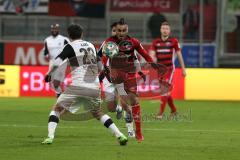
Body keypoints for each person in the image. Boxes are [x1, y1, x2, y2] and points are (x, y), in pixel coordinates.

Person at [42, 24, 128, 145]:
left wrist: (49, 74)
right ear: (82, 34)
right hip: (94, 86)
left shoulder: (69, 46)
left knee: (56, 109)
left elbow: (56, 62)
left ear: (69, 35)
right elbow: (100, 66)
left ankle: (50, 137)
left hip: (78, 86)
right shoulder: (91, 45)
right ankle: (120, 135)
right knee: (98, 113)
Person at [98, 18, 158, 141]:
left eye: (124, 30)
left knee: (133, 101)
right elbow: (103, 58)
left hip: (129, 75)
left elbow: (144, 54)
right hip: (114, 76)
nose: (121, 33)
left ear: (127, 30)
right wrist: (103, 70)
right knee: (110, 107)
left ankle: (138, 132)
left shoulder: (133, 42)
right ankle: (118, 110)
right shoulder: (109, 42)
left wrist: (152, 64)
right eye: (119, 30)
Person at [149, 21, 186, 119]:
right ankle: (173, 110)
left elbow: (179, 55)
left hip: (169, 69)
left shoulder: (174, 41)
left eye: (167, 29)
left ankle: (160, 113)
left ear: (169, 31)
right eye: (163, 28)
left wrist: (183, 69)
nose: (165, 30)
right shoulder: (156, 42)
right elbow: (151, 55)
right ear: (160, 30)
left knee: (165, 90)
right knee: (165, 92)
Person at [43, 24, 69, 97]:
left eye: (56, 29)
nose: (54, 30)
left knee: (57, 79)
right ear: (51, 30)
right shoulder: (47, 40)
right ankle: (60, 93)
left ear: (58, 30)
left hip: (62, 61)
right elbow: (45, 52)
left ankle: (60, 94)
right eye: (53, 29)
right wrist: (46, 55)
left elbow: (70, 49)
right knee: (50, 82)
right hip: (52, 62)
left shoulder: (64, 39)